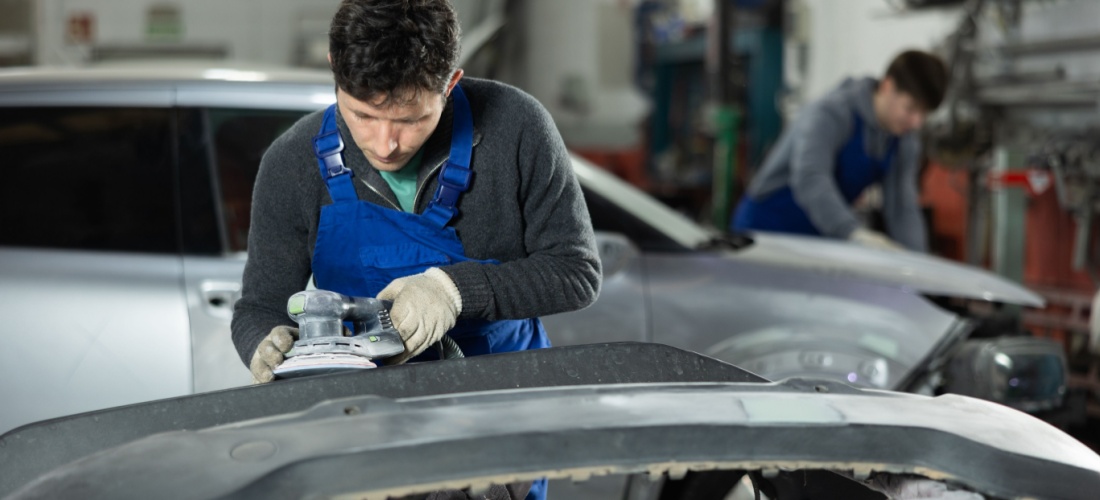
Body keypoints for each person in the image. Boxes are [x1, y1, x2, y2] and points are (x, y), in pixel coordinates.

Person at [231, 1, 601, 497]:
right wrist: (262, 343)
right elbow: (259, 306)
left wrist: (453, 292)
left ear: (451, 83)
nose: (385, 144)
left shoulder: (516, 127)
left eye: (409, 119)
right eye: (363, 115)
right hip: (365, 422)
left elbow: (576, 272)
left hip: (502, 412)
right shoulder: (292, 162)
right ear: (334, 70)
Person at [731, 50, 949, 252]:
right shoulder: (831, 112)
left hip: (819, 236)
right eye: (910, 109)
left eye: (924, 114)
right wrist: (854, 233)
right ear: (887, 87)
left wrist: (917, 263)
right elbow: (810, 178)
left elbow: (902, 208)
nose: (917, 122)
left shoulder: (903, 140)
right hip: (765, 230)